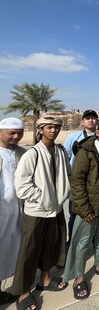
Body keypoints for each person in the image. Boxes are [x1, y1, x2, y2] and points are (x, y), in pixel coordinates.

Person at [12, 115, 70, 310]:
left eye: (56, 127)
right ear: (40, 130)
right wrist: (42, 197)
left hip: (56, 209)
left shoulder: (60, 151)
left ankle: (45, 280)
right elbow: (21, 186)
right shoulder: (32, 154)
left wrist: (60, 196)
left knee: (50, 247)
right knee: (29, 251)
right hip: (36, 212)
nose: (53, 130)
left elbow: (66, 175)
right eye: (49, 127)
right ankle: (23, 292)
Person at [63, 119, 99, 301]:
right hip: (89, 204)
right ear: (97, 131)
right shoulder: (86, 151)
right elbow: (77, 181)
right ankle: (78, 276)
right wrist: (84, 208)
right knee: (82, 241)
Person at [63, 109, 98, 246]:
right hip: (78, 183)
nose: (91, 120)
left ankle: (96, 242)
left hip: (95, 182)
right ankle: (71, 243)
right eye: (88, 118)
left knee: (96, 213)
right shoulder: (73, 137)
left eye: (93, 118)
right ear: (83, 122)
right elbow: (66, 158)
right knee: (75, 214)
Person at [0, 118, 25, 306]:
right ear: (1, 133)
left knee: (10, 250)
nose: (16, 136)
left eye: (19, 133)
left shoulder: (21, 153)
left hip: (17, 210)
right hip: (1, 211)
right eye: (11, 133)